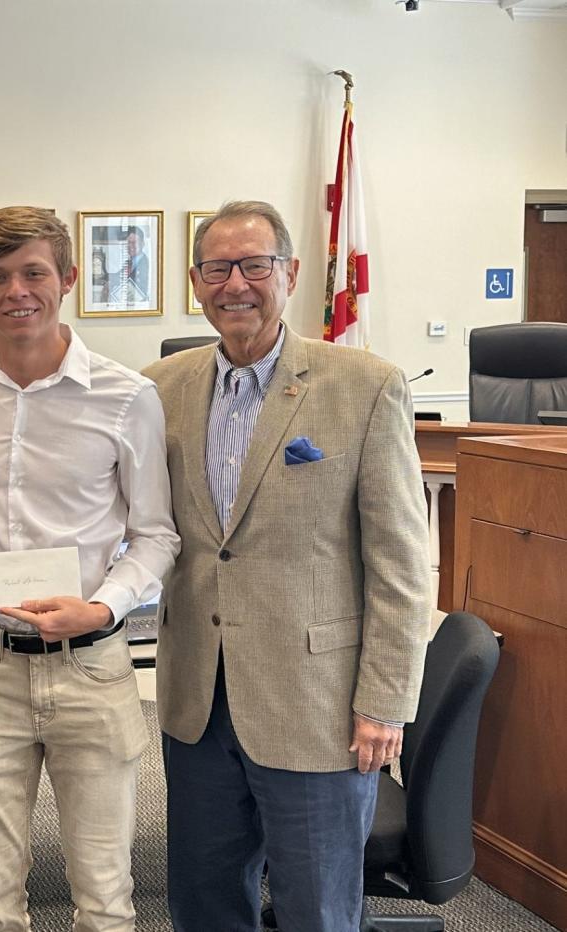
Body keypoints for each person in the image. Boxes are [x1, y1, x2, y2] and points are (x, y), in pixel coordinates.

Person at [141, 200, 431, 932]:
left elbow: (400, 563)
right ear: (195, 281)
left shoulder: (365, 386)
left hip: (319, 706)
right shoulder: (158, 390)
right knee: (204, 906)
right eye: (216, 267)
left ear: (291, 274)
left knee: (318, 911)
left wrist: (384, 703)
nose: (235, 282)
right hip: (196, 702)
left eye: (254, 264)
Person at [0, 206, 180, 932]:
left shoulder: (127, 397)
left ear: (68, 278)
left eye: (35, 272)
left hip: (91, 666)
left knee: (104, 896)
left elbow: (156, 535)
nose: (18, 291)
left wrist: (103, 608)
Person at [122, 226, 149, 299]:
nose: (130, 246)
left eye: (134, 242)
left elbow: (143, 292)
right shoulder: (128, 263)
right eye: (128, 242)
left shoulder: (146, 264)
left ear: (143, 244)